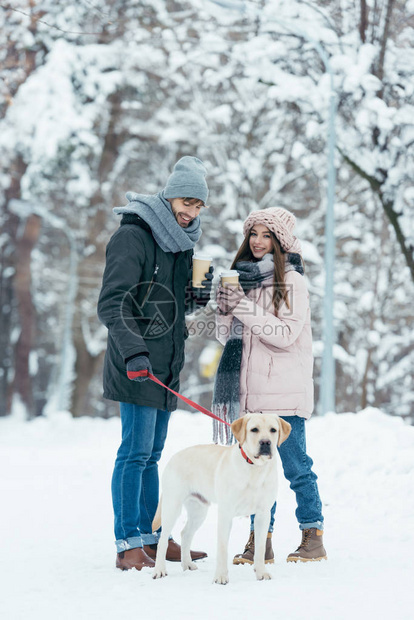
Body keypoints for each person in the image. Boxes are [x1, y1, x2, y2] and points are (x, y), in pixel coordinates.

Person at [98, 156, 213, 571]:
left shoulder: (182, 243)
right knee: (134, 452)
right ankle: (128, 543)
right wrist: (134, 352)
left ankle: (152, 539)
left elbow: (173, 306)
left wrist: (196, 295)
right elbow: (113, 303)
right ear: (169, 195)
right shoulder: (134, 236)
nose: (191, 212)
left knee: (152, 454)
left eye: (199, 206)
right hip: (136, 361)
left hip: (164, 366)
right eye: (187, 202)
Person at [212, 207, 327, 564]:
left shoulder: (292, 281)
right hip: (250, 397)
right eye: (254, 235)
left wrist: (243, 306)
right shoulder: (244, 280)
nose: (259, 242)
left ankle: (313, 536)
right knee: (253, 472)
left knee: (295, 467)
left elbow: (284, 334)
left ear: (281, 242)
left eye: (267, 236)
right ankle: (260, 542)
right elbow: (224, 339)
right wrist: (224, 308)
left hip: (284, 395)